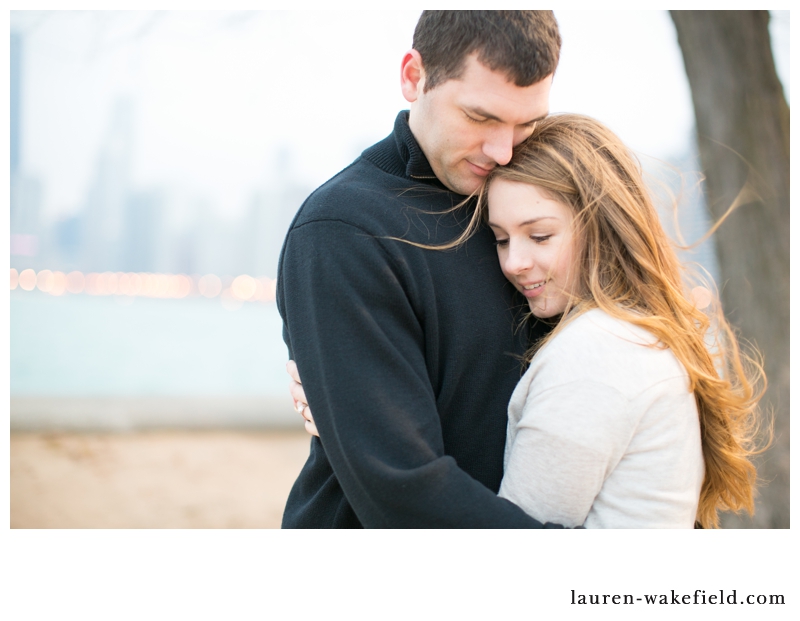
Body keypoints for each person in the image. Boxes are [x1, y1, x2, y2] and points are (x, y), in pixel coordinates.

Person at [294, 114, 766, 528]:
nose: (514, 263)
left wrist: (356, 416)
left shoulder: (595, 355)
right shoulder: (634, 334)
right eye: (499, 240)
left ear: (603, 224)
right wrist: (358, 405)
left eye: (539, 236)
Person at [277, 11, 565, 528]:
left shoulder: (535, 200)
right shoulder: (341, 230)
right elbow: (403, 489)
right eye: (480, 117)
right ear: (414, 77)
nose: (503, 151)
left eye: (526, 124)